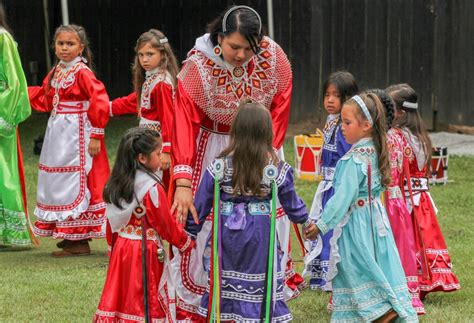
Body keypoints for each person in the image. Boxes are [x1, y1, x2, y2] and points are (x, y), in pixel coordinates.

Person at [169, 5, 303, 319]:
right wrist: (184, 181)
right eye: (234, 47)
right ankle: (212, 297)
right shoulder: (197, 67)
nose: (242, 55)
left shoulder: (274, 59)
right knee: (210, 220)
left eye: (249, 48)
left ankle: (262, 297)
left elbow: (281, 103)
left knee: (267, 221)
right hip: (215, 146)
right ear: (219, 37)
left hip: (260, 146)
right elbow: (183, 122)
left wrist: (266, 152)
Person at [185, 101, 317, 322]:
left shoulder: (219, 166)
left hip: (227, 237)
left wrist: (187, 233)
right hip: (260, 238)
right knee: (258, 284)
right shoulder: (275, 169)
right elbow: (292, 204)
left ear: (235, 130)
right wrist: (306, 222)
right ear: (266, 132)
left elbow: (200, 205)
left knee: (225, 282)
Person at [313, 93, 418, 322]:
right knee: (377, 264)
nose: (342, 127)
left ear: (366, 125)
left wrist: (320, 225)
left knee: (354, 268)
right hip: (375, 219)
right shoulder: (377, 150)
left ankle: (379, 310)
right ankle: (381, 308)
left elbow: (342, 199)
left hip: (356, 226)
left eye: (347, 122)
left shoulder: (353, 160)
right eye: (342, 121)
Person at [94, 127, 194, 322]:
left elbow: (111, 222)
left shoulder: (116, 184)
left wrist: (112, 248)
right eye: (158, 153)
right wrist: (185, 242)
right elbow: (165, 224)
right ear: (142, 158)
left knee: (122, 294)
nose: (161, 157)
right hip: (144, 250)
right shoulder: (151, 188)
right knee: (143, 297)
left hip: (121, 247)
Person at [28, 24, 110, 256]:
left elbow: (99, 100)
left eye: (70, 44)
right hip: (59, 133)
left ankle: (80, 239)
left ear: (81, 48)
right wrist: (18, 93)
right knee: (59, 181)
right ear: (54, 46)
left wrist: (95, 134)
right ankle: (69, 231)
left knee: (78, 180)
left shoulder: (82, 72)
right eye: (61, 43)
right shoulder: (57, 71)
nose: (65, 48)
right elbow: (45, 97)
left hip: (78, 133)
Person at [387, 84, 460, 299]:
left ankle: (413, 280)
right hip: (422, 200)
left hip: (407, 200)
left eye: (388, 107)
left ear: (400, 113)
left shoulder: (398, 137)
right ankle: (423, 281)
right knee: (423, 239)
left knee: (410, 239)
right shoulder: (421, 137)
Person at [368, 88, 425, 315]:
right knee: (401, 247)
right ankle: (405, 291)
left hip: (385, 201)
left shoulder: (385, 139)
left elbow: (385, 175)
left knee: (386, 248)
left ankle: (387, 294)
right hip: (397, 201)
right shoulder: (399, 136)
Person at [304, 71, 358, 291]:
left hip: (337, 188)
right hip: (326, 186)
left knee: (331, 229)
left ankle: (331, 277)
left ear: (349, 98)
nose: (330, 100)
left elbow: (347, 158)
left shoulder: (345, 127)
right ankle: (320, 277)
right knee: (322, 228)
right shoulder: (331, 122)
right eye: (327, 95)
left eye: (336, 95)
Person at [110, 29, 178, 190]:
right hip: (147, 141)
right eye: (141, 55)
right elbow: (134, 100)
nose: (144, 59)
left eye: (150, 54)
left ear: (163, 54)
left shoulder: (162, 83)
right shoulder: (152, 78)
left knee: (155, 184)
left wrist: (166, 150)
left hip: (157, 144)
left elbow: (168, 118)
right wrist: (108, 107)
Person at [0, 3, 34, 247]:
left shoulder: (3, 39)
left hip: (1, 109)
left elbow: (15, 82)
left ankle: (7, 232)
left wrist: (5, 114)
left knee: (3, 172)